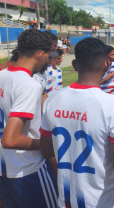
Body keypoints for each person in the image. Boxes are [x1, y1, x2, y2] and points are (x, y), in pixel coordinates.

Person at [40, 37, 114, 208]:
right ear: (106, 64)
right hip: (103, 201)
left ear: (74, 65)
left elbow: (46, 151)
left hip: (67, 199)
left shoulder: (53, 99)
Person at [0, 29, 58, 208]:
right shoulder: (29, 85)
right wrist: (46, 144)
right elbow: (10, 139)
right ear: (41, 54)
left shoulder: (2, 75)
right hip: (29, 169)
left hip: (5, 169)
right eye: (48, 55)